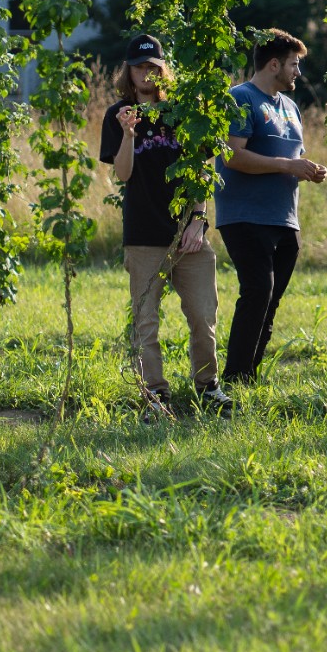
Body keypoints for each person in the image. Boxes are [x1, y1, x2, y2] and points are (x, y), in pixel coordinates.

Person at [99, 33, 234, 414]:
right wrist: (128, 133)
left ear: (162, 70)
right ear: (129, 71)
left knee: (203, 315)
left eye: (153, 67)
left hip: (188, 237)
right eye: (140, 67)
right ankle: (155, 395)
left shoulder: (182, 113)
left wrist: (199, 221)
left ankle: (208, 388)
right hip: (143, 236)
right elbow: (123, 175)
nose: (147, 73)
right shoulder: (118, 115)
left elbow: (200, 173)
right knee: (146, 322)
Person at [215, 28, 327, 386]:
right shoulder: (241, 98)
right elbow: (231, 155)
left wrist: (307, 169)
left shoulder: (290, 106)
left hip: (284, 218)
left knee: (271, 300)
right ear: (274, 64)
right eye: (294, 65)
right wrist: (287, 166)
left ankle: (249, 377)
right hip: (245, 217)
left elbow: (292, 156)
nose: (298, 72)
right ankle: (233, 378)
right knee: (257, 292)